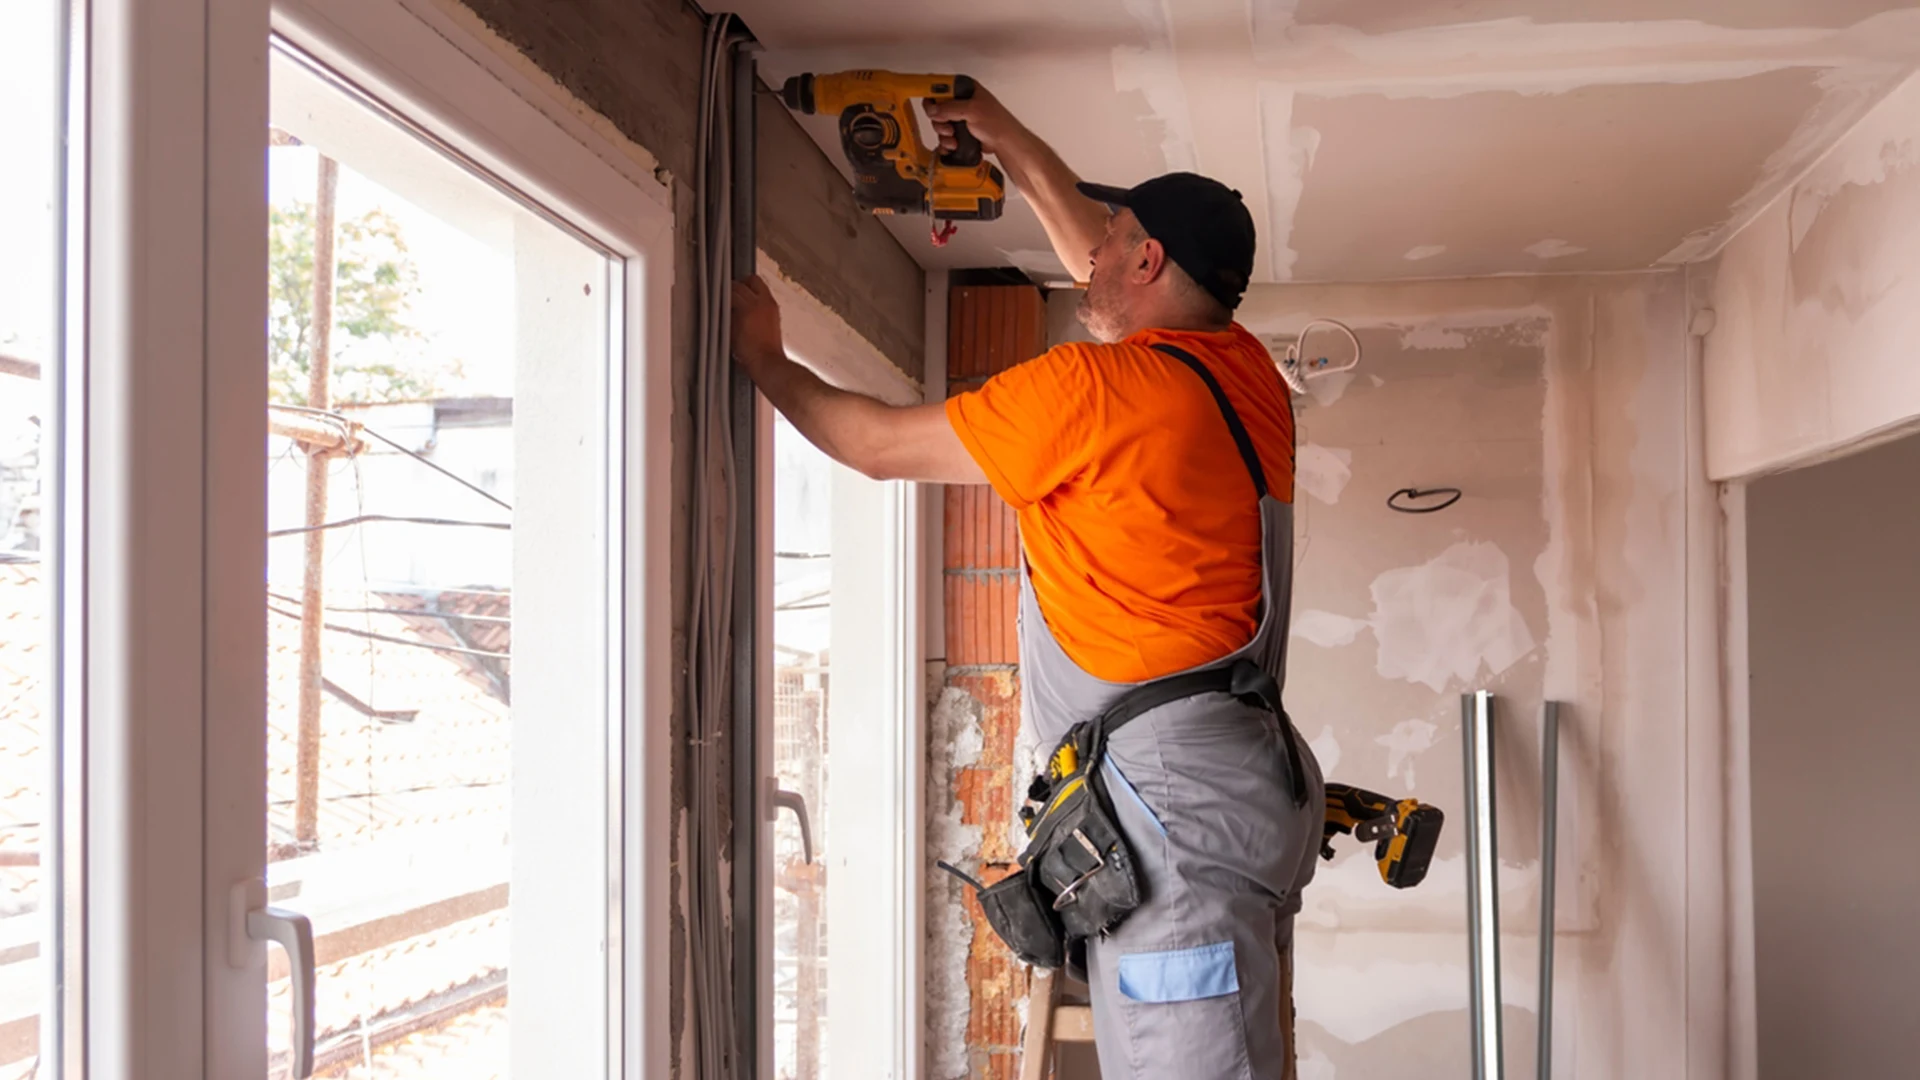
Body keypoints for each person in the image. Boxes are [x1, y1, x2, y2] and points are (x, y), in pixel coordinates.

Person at [730, 84, 1323, 1080]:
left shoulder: (1091, 393)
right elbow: (1099, 264)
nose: (1086, 254)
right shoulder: (1243, 374)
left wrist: (766, 360)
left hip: (1172, 817)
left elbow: (875, 446)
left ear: (1147, 261)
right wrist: (1008, 139)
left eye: (1111, 240)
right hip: (1234, 785)